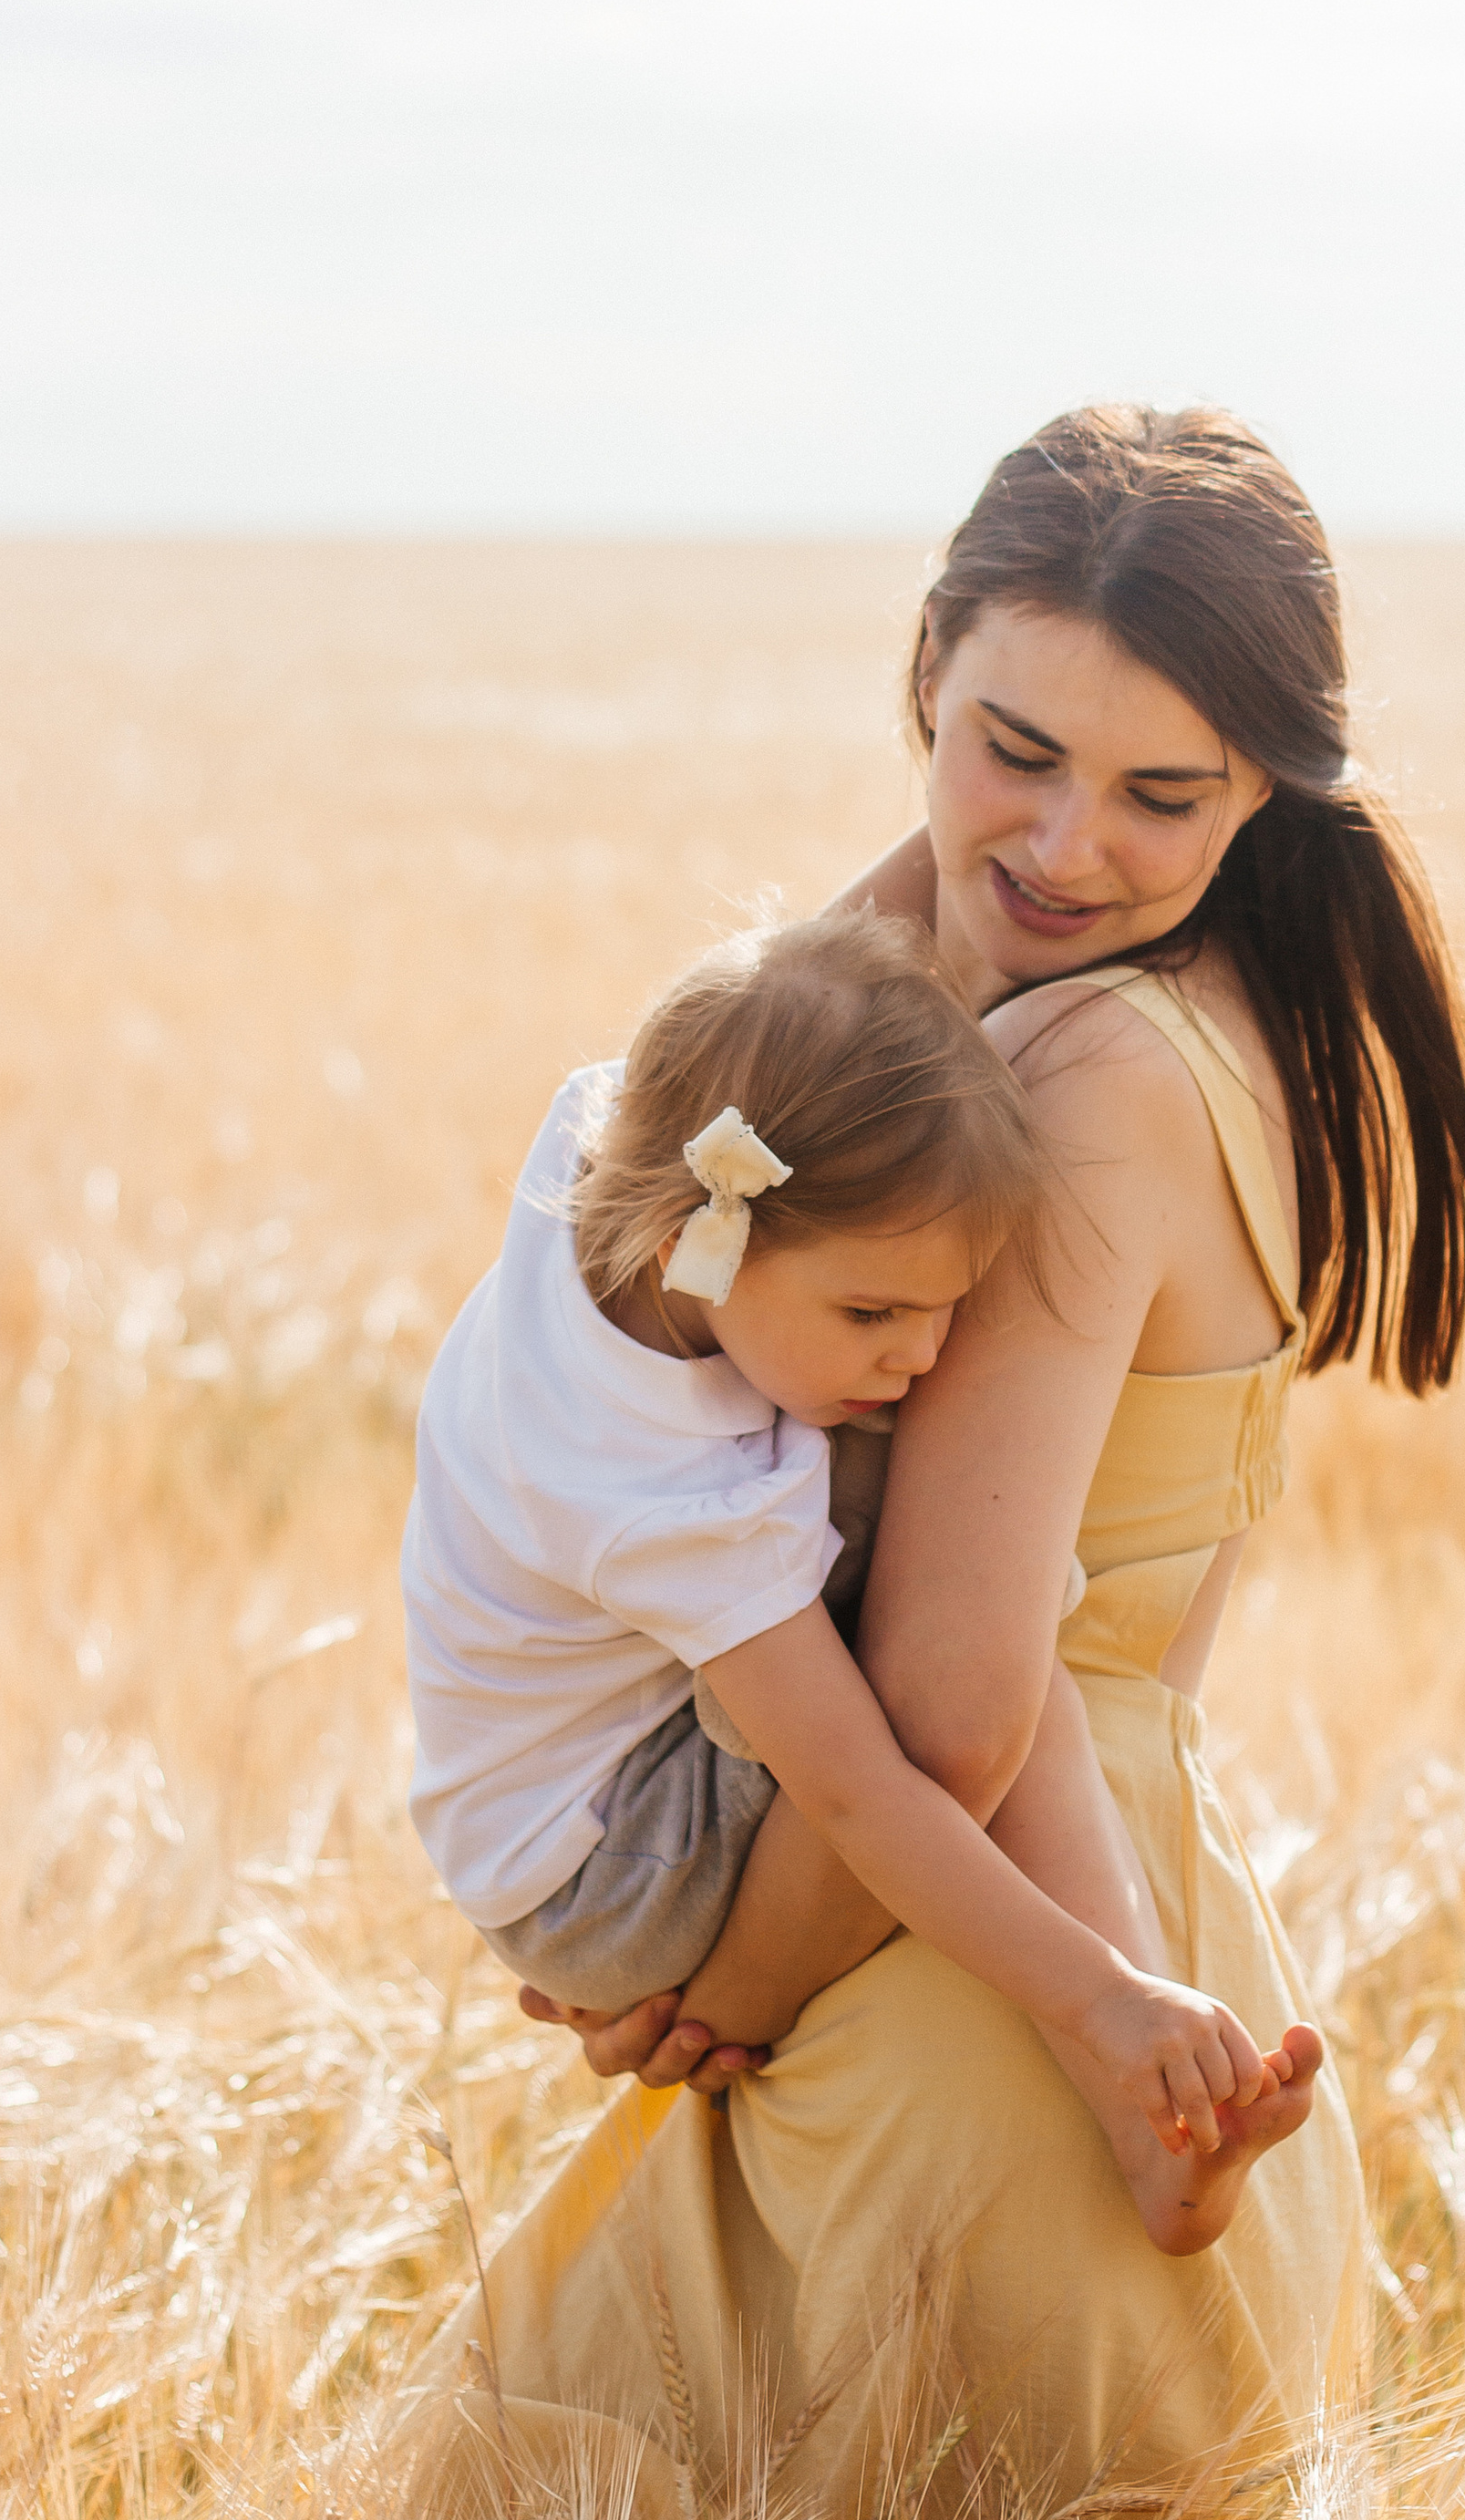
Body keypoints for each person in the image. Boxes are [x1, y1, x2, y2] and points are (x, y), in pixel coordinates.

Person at [424, 404, 1465, 2520]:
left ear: (1263, 789)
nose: (1058, 845)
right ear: (918, 671)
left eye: (1161, 794)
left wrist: (711, 2004)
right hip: (1116, 1931)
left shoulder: (1067, 1076)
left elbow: (950, 1694)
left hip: (942, 2013)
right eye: (1007, 749)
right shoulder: (1219, 1026)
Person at [402, 906, 1313, 2249]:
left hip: (544, 1808)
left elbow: (812, 990)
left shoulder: (613, 1131)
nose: (924, 1357)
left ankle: (1141, 2073)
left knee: (968, 1601)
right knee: (977, 1652)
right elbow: (862, 1793)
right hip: (608, 1868)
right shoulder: (671, 1502)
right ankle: (1133, 2075)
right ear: (696, 1245)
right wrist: (1091, 1993)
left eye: (950, 1307)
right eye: (875, 1315)